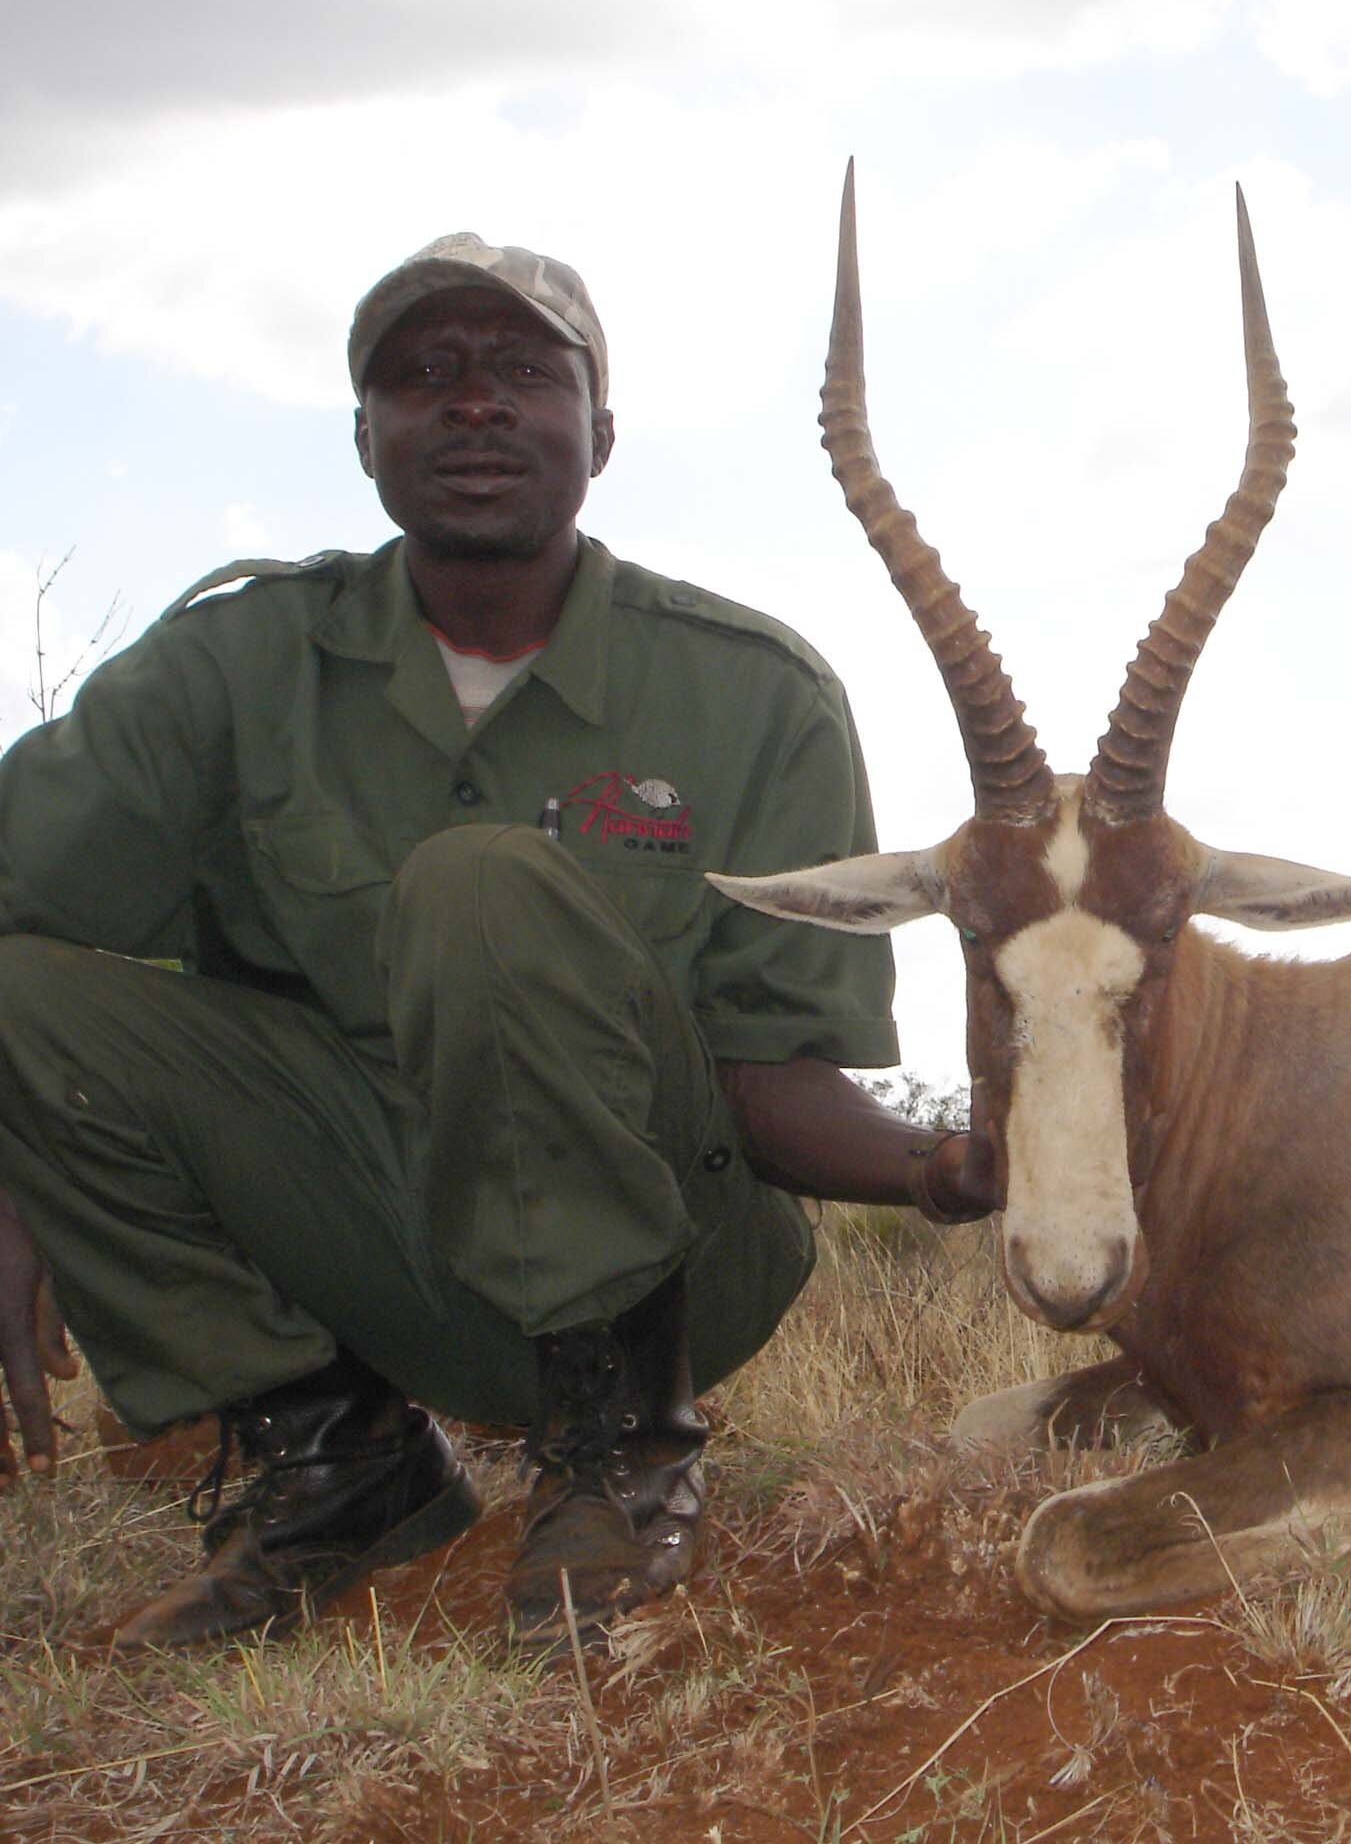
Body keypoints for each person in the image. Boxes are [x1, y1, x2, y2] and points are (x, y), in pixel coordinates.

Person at [0, 231, 992, 1654]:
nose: (473, 405)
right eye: (424, 377)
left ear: (601, 431)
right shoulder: (233, 661)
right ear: (364, 437)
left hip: (673, 1268)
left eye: (524, 374)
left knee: (481, 885)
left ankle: (623, 1445)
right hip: (372, 1250)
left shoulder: (753, 692)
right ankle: (340, 1458)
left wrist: (968, 1171)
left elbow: (779, 1076)